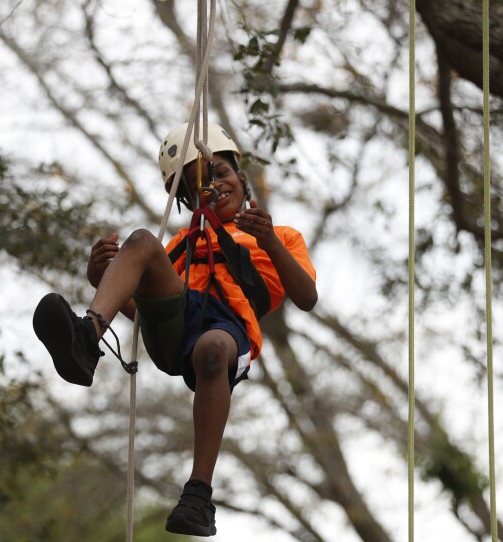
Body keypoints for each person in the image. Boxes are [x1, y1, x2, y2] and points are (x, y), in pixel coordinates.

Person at [32, 122, 317, 537]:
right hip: (181, 322)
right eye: (199, 183)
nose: (214, 186)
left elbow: (306, 296)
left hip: (229, 326)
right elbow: (147, 313)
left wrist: (269, 240)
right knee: (144, 242)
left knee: (214, 351)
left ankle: (199, 495)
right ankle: (86, 338)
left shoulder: (279, 236)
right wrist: (101, 279)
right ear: (186, 198)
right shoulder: (180, 245)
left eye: (220, 173)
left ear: (241, 177)